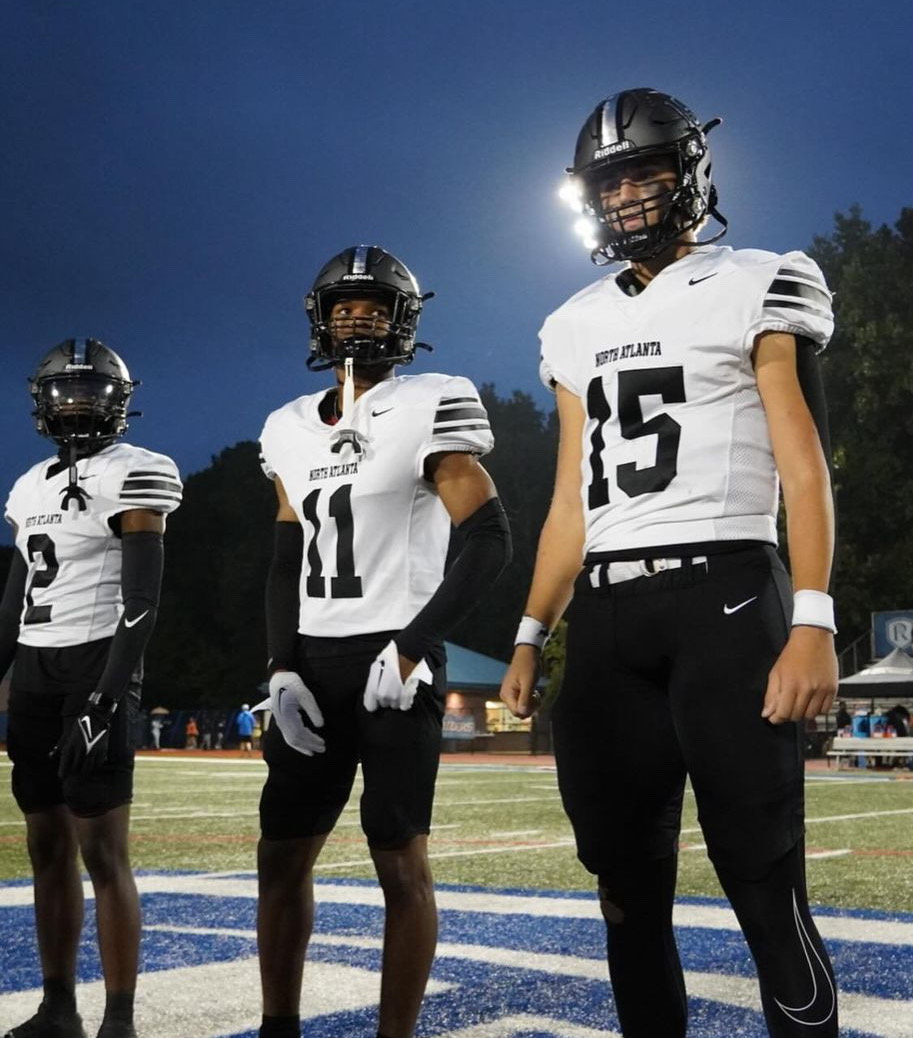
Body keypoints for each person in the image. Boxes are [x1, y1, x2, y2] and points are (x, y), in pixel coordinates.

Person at [500, 88, 839, 1037]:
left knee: (763, 883)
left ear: (689, 171)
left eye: (646, 170)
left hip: (726, 596)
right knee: (623, 886)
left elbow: (802, 462)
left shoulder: (760, 277)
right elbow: (572, 495)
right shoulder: (568, 322)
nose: (628, 196)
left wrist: (811, 616)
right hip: (606, 618)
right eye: (610, 181)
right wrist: (532, 630)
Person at [255, 245, 511, 1038]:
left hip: (394, 655)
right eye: (343, 307)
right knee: (279, 853)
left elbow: (491, 537)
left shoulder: (433, 399)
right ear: (320, 320)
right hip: (314, 660)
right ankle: (278, 1026)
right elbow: (285, 559)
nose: (356, 318)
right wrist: (278, 666)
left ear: (404, 321)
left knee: (398, 856)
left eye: (373, 306)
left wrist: (414, 641)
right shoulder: (287, 427)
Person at [0, 338, 182, 1038]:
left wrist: (109, 695)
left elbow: (143, 600)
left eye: (90, 392)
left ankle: (120, 1019)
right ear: (42, 401)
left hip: (96, 666)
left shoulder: (137, 472)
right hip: (38, 671)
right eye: (63, 391)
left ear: (118, 402)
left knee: (102, 851)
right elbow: (13, 602)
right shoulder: (27, 487)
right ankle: (57, 1008)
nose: (75, 403)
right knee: (44, 847)